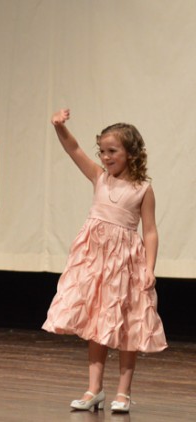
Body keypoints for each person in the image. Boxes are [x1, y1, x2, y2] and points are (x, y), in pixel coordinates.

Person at [42, 109, 167, 413]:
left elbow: (149, 231)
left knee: (127, 325)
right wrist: (60, 127)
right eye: (103, 151)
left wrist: (149, 268)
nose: (106, 157)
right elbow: (74, 149)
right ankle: (93, 389)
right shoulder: (99, 177)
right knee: (96, 323)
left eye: (113, 151)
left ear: (131, 153)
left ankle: (123, 392)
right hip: (95, 262)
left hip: (126, 263)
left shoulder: (142, 189)